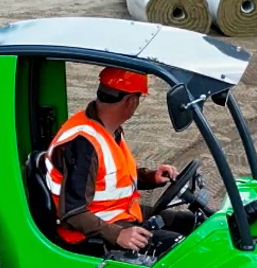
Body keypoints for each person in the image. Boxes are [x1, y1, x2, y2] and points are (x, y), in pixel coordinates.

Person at [46, 67, 184, 255]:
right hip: (92, 232)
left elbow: (112, 176)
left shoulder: (109, 129)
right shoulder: (83, 144)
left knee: (188, 222)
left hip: (121, 213)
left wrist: (151, 177)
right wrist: (118, 234)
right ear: (130, 101)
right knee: (180, 249)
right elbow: (72, 213)